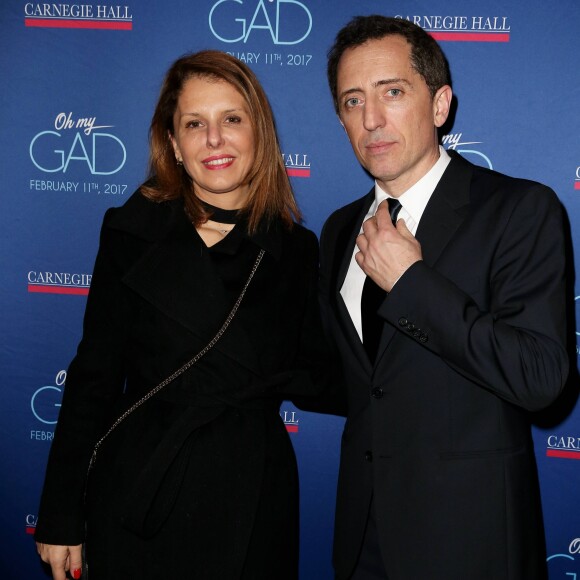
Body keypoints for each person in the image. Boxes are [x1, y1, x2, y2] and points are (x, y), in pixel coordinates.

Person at [35, 50, 329, 580]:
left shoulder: (297, 249)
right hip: (144, 489)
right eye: (195, 124)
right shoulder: (132, 232)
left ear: (258, 131)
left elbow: (320, 377)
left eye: (231, 119)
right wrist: (60, 514)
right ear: (173, 142)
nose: (214, 140)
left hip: (253, 493)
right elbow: (93, 378)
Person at [319, 15, 569, 579]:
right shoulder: (338, 230)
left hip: (470, 541)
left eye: (393, 93)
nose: (372, 119)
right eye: (353, 101)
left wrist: (413, 284)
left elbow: (542, 377)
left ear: (439, 105)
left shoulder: (518, 210)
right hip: (362, 541)